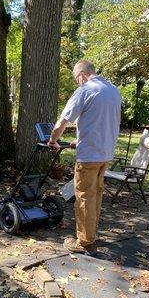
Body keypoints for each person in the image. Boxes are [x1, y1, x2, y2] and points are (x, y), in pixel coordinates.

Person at [48, 60, 121, 256]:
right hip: (105, 154)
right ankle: (91, 233)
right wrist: (77, 142)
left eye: (76, 79)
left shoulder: (85, 90)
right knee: (95, 195)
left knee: (84, 197)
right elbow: (100, 123)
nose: (77, 83)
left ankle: (85, 242)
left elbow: (63, 121)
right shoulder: (113, 90)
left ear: (81, 75)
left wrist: (53, 140)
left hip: (89, 157)